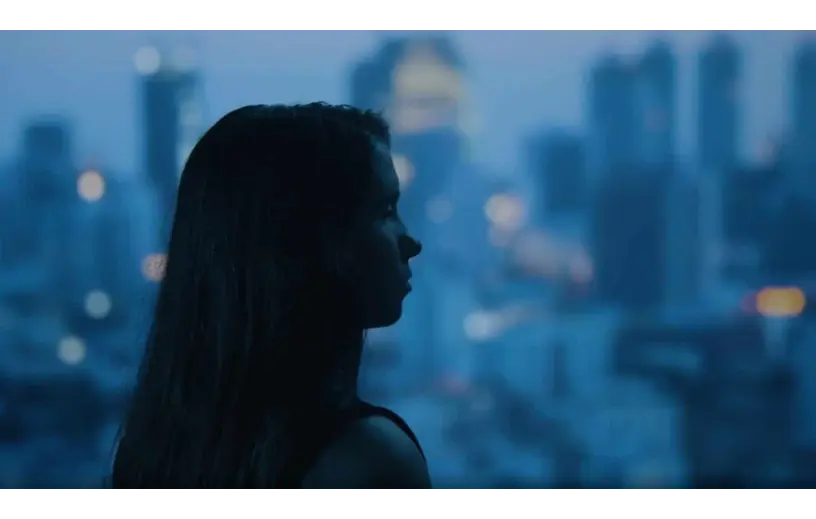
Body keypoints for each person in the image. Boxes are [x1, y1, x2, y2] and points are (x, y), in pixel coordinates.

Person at [111, 103, 429, 494]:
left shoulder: (151, 448)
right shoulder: (367, 461)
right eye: (385, 211)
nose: (411, 242)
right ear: (308, 239)